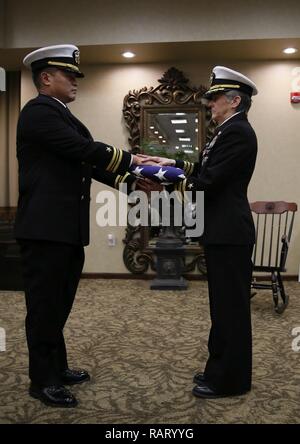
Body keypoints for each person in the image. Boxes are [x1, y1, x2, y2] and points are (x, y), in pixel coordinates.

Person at [15, 44, 148, 408]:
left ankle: (56, 367)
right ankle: (42, 381)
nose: (75, 81)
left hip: (63, 229)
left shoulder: (60, 114)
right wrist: (134, 160)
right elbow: (84, 150)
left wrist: (134, 181)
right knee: (44, 308)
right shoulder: (38, 112)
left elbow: (86, 164)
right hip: (44, 230)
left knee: (58, 304)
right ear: (46, 78)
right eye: (68, 75)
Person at [141, 66, 258, 398]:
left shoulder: (237, 132)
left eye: (215, 98)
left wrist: (163, 182)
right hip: (223, 230)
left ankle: (230, 380)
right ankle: (218, 368)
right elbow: (205, 169)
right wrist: (167, 164)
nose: (210, 104)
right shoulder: (228, 131)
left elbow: (208, 182)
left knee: (230, 309)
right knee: (221, 307)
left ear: (234, 100)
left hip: (229, 232)